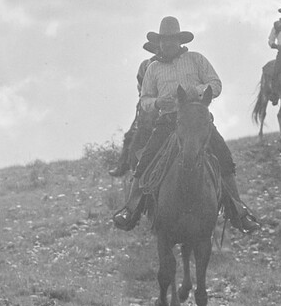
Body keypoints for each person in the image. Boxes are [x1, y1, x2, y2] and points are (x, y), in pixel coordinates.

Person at [111, 16, 261, 233]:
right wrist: (157, 102)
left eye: (171, 40)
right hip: (167, 121)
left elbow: (215, 84)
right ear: (159, 43)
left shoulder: (196, 60)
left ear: (179, 41)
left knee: (224, 158)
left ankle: (238, 211)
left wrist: (196, 92)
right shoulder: (153, 69)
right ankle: (130, 209)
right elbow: (144, 100)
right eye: (163, 40)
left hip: (196, 120)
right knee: (145, 162)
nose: (167, 44)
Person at [107, 36, 161, 177]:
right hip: (148, 106)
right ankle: (123, 164)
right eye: (157, 48)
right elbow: (142, 86)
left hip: (165, 104)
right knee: (131, 136)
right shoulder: (146, 65)